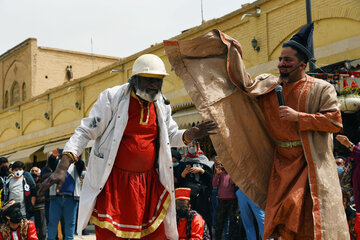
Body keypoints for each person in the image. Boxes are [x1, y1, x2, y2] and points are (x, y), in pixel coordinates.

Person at [165, 24, 349, 239]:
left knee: (310, 218)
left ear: (302, 64)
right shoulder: (270, 86)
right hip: (280, 164)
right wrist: (230, 51)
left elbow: (334, 123)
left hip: (309, 163)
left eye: (287, 60)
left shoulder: (321, 88)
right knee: (284, 220)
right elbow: (242, 85)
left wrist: (298, 117)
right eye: (280, 59)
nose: (281, 64)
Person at [39, 54, 217, 240]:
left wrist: (191, 134)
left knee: (156, 235)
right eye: (149, 80)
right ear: (135, 78)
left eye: (158, 81)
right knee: (110, 236)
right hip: (115, 184)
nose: (154, 85)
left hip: (150, 184)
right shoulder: (113, 98)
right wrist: (62, 167)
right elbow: (85, 132)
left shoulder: (161, 104)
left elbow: (171, 137)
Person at [176, 140, 214, 233]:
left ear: (198, 147)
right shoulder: (183, 162)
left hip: (202, 195)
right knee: (188, 217)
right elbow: (179, 180)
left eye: (193, 146)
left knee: (203, 216)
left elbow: (211, 178)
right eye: (190, 146)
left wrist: (201, 171)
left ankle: (203, 235)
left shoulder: (204, 161)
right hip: (188, 196)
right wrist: (183, 174)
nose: (191, 148)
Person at [47, 150, 85, 240]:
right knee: (52, 222)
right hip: (56, 199)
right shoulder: (57, 163)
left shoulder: (76, 165)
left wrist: (75, 156)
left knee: (70, 223)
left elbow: (81, 164)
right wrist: (53, 156)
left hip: (71, 199)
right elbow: (51, 162)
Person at [212, 160, 238, 240]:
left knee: (233, 222)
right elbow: (214, 184)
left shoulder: (233, 174)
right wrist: (217, 174)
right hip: (221, 200)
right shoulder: (220, 174)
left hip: (232, 200)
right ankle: (218, 238)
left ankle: (231, 238)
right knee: (220, 222)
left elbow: (236, 184)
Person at [30, 167, 47, 240]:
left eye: (36, 171)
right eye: (32, 171)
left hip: (42, 207)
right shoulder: (29, 182)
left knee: (42, 228)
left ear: (39, 173)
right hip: (33, 209)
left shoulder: (42, 182)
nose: (34, 172)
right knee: (35, 228)